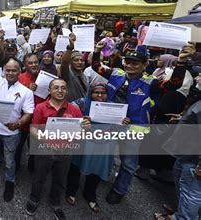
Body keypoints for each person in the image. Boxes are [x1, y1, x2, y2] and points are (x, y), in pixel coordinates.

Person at [92, 41, 195, 204]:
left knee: (128, 163)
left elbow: (174, 84)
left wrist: (181, 62)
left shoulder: (151, 82)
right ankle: (99, 179)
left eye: (135, 63)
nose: (130, 66)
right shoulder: (116, 74)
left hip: (134, 128)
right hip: (111, 124)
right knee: (103, 154)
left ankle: (119, 190)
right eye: (128, 62)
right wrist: (97, 50)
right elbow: (96, 65)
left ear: (144, 65)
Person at [0, 37, 34, 202]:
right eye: (7, 70)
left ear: (19, 71)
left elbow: (28, 113)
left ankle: (10, 181)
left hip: (11, 132)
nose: (10, 73)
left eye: (14, 70)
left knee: (9, 160)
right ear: (3, 70)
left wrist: (18, 123)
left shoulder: (26, 92)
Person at [25, 79, 86, 219]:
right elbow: (33, 129)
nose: (60, 91)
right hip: (44, 149)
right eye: (56, 88)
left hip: (65, 151)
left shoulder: (74, 110)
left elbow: (81, 132)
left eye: (63, 88)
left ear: (67, 91)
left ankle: (55, 202)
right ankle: (34, 199)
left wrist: (82, 130)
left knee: (60, 179)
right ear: (49, 90)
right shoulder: (40, 107)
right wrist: (45, 138)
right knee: (39, 177)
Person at [65, 82, 130, 214]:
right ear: (91, 92)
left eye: (103, 93)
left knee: (96, 170)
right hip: (84, 142)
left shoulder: (115, 108)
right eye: (96, 92)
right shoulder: (82, 103)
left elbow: (122, 131)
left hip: (104, 145)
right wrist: (80, 119)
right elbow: (67, 112)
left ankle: (90, 194)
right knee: (76, 167)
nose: (100, 95)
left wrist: (124, 124)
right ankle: (71, 191)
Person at [154, 100, 201, 220]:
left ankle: (183, 217)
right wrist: (183, 118)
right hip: (187, 153)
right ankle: (182, 211)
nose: (197, 79)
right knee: (181, 180)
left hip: (194, 158)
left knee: (191, 192)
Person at [16, 53, 43, 172]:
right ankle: (15, 167)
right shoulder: (19, 78)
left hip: (38, 120)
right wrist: (27, 89)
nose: (33, 65)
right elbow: (14, 96)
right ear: (25, 65)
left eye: (35, 62)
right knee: (18, 146)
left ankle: (32, 167)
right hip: (23, 119)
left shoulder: (44, 77)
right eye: (30, 63)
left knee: (35, 146)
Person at [60, 37, 88, 102]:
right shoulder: (68, 74)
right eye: (76, 60)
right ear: (71, 62)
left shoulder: (84, 76)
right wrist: (70, 48)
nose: (80, 62)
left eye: (82, 60)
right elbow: (64, 64)